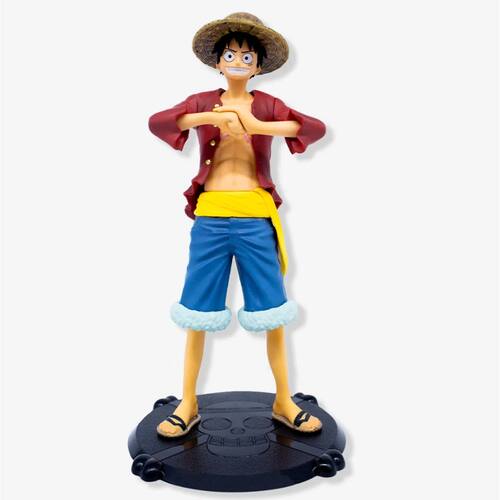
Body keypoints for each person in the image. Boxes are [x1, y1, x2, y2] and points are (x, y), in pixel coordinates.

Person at [148, 12, 327, 438]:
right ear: (218, 62)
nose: (238, 62)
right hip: (210, 216)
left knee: (272, 311)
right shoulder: (201, 101)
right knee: (197, 312)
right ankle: (187, 401)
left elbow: (314, 128)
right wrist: (211, 118)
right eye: (230, 54)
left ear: (258, 66)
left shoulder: (267, 105)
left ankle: (283, 400)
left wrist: (257, 125)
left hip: (255, 216)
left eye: (247, 57)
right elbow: (159, 121)